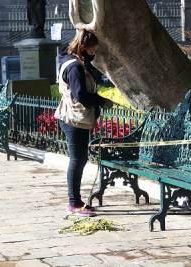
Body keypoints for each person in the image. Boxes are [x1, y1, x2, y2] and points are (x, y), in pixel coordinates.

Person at [54, 29, 113, 217]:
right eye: (92, 49)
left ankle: (76, 201)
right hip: (73, 119)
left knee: (80, 159)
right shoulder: (75, 66)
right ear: (84, 48)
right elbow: (80, 95)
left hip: (74, 118)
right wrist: (101, 101)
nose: (94, 53)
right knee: (77, 160)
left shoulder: (70, 61)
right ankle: (74, 203)